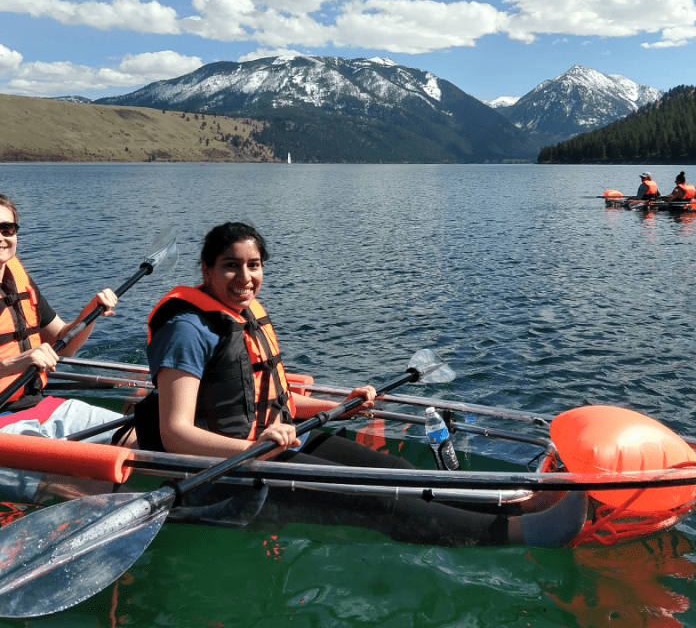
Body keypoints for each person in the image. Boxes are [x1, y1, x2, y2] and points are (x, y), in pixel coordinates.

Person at [138, 221, 586, 547]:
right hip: (228, 471)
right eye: (230, 266)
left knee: (402, 475)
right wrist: (258, 450)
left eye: (253, 265)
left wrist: (335, 406)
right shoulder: (187, 329)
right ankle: (527, 533)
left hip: (271, 446)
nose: (245, 278)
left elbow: (258, 399)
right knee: (382, 500)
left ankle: (520, 505)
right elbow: (178, 435)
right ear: (206, 270)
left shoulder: (242, 317)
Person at [0, 193, 133, 442]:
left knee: (134, 436)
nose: (1, 237)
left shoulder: (20, 282)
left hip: (38, 407)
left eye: (7, 228)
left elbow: (65, 344)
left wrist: (90, 313)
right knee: (77, 481)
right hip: (2, 423)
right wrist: (16, 363)